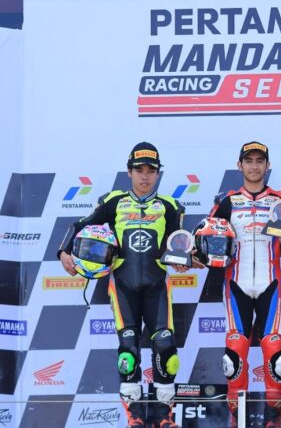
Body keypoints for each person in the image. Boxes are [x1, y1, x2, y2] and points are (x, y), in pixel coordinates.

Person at [58, 142, 187, 428]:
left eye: (151, 171)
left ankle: (164, 416)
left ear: (158, 173)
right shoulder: (114, 201)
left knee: (166, 350)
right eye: (139, 170)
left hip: (157, 286)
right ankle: (134, 417)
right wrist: (63, 252)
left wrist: (188, 259)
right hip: (123, 286)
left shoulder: (170, 206)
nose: (145, 176)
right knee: (128, 350)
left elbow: (179, 244)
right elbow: (80, 224)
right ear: (129, 172)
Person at [205, 141, 281, 428]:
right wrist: (196, 256)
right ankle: (237, 418)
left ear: (267, 165)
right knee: (235, 350)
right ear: (240, 165)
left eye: (260, 160)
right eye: (249, 160)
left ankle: (275, 419)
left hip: (270, 284)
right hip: (235, 284)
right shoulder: (227, 201)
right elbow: (207, 240)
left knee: (274, 351)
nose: (254, 166)